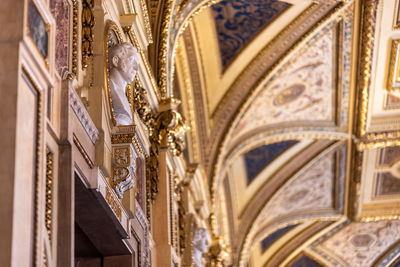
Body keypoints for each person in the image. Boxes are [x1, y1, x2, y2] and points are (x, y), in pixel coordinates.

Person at [108, 42, 139, 125]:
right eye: (131, 60)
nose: (136, 67)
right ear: (116, 61)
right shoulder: (109, 87)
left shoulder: (123, 96)